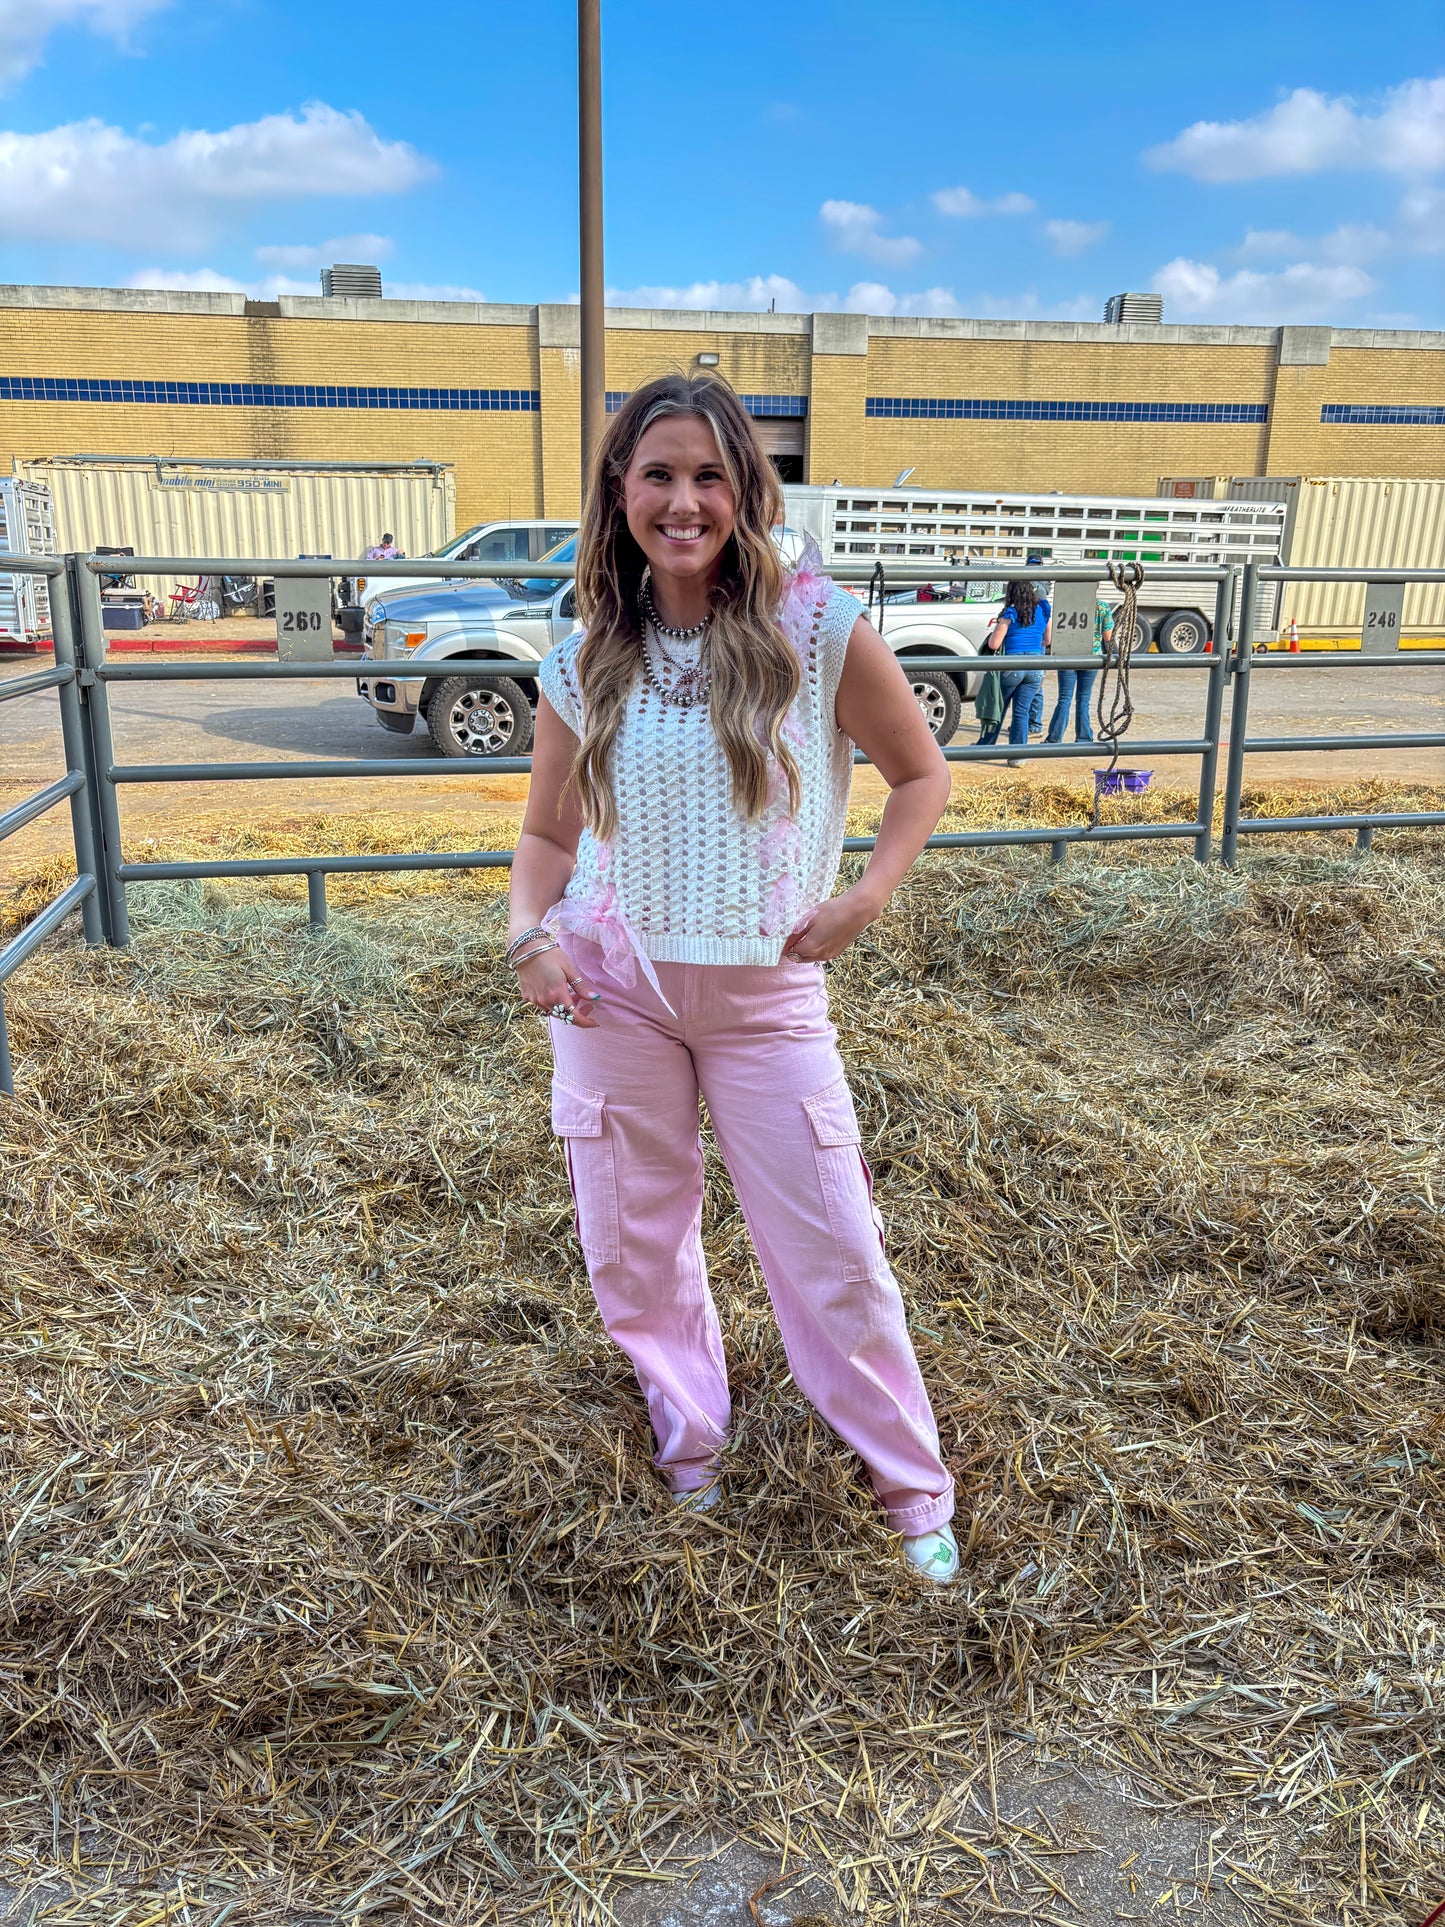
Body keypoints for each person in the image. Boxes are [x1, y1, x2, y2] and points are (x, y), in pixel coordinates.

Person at [507, 373, 960, 1583]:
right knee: (632, 1236)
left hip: (766, 993)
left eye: (709, 475)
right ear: (620, 491)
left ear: (745, 494)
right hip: (611, 988)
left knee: (828, 1238)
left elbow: (919, 775)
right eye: (657, 473)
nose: (683, 500)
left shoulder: (817, 631)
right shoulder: (580, 654)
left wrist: (864, 895)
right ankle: (689, 1440)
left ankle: (909, 1487)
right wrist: (526, 934)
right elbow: (549, 837)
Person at [975, 579, 1052, 766]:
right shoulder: (1043, 609)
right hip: (1035, 667)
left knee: (998, 707)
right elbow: (1047, 640)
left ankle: (985, 747)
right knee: (1022, 712)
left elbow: (994, 644)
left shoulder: (1010, 612)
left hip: (1012, 665)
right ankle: (1018, 756)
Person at [1047, 597, 1112, 745]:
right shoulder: (1102, 607)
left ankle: (1054, 737)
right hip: (1092, 656)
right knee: (1083, 699)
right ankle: (1083, 737)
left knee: (1064, 698)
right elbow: (1108, 636)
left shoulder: (1067, 603)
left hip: (1069, 654)